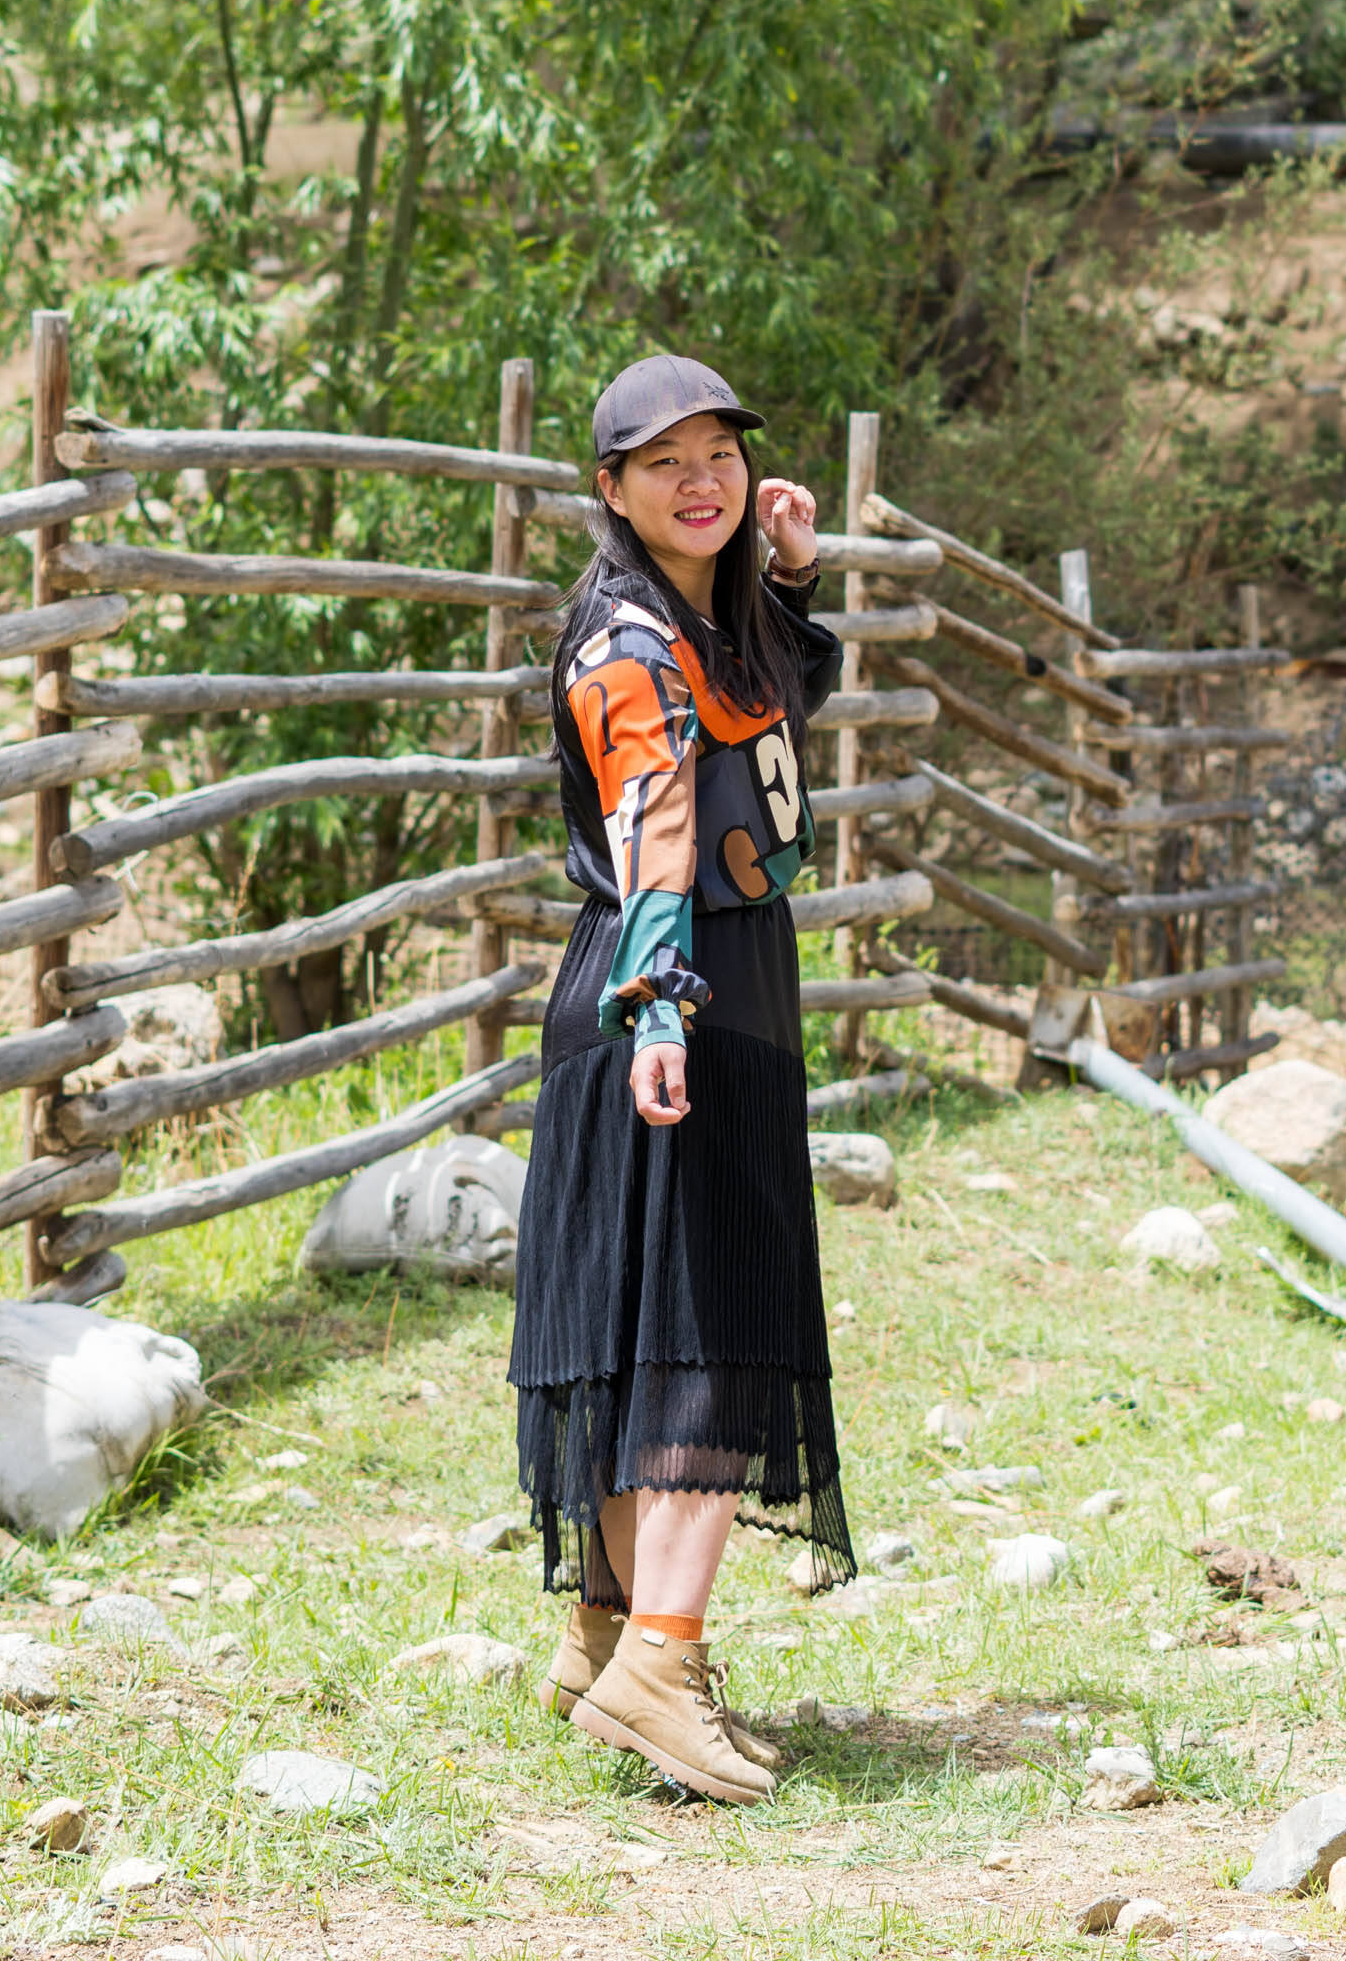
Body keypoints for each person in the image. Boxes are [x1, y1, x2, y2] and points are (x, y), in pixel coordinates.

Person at [508, 351, 850, 1804]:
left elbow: (782, 710)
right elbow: (652, 816)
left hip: (698, 987)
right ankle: (663, 1659)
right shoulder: (629, 646)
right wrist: (664, 1011)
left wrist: (790, 573)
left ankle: (604, 1638)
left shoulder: (705, 619)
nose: (700, 479)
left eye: (718, 452)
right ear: (611, 492)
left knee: (645, 1327)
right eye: (665, 464)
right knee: (707, 1331)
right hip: (676, 994)